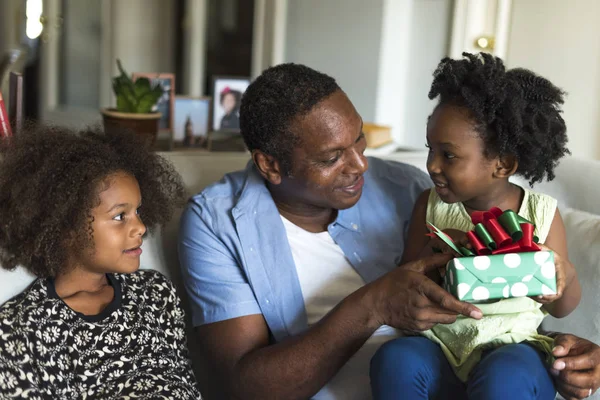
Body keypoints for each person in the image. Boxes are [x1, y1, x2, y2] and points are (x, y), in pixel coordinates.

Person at [178, 63, 600, 400]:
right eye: (331, 158)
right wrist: (374, 304)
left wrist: (562, 353)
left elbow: (513, 307)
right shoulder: (217, 223)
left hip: (475, 370)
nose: (361, 166)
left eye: (360, 142)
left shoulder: (407, 186)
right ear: (269, 165)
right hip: (415, 367)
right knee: (398, 359)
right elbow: (248, 388)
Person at [369, 52, 582, 400]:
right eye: (430, 149)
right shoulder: (430, 206)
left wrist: (565, 276)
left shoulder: (540, 214)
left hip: (515, 346)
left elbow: (560, 307)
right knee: (395, 359)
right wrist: (433, 252)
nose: (432, 165)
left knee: (505, 377)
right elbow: (406, 281)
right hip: (441, 345)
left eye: (448, 155)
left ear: (502, 165)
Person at [0, 125, 202, 399]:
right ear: (66, 226)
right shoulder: (20, 330)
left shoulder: (155, 293)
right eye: (120, 216)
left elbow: (185, 385)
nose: (141, 227)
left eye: (138, 211)